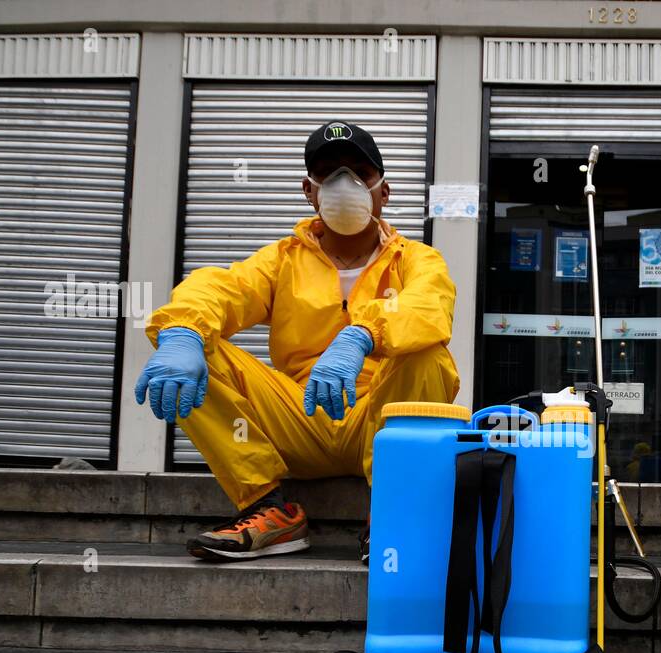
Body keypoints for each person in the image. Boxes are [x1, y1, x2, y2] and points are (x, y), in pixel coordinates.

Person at [136, 121, 459, 562]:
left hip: (379, 421)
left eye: (359, 174)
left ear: (384, 191)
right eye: (328, 174)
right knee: (197, 343)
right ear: (309, 191)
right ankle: (268, 509)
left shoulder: (417, 260)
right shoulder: (282, 260)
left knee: (429, 354)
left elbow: (429, 306)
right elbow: (221, 289)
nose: (343, 185)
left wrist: (362, 336)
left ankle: (391, 514)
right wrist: (180, 333)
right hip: (300, 417)